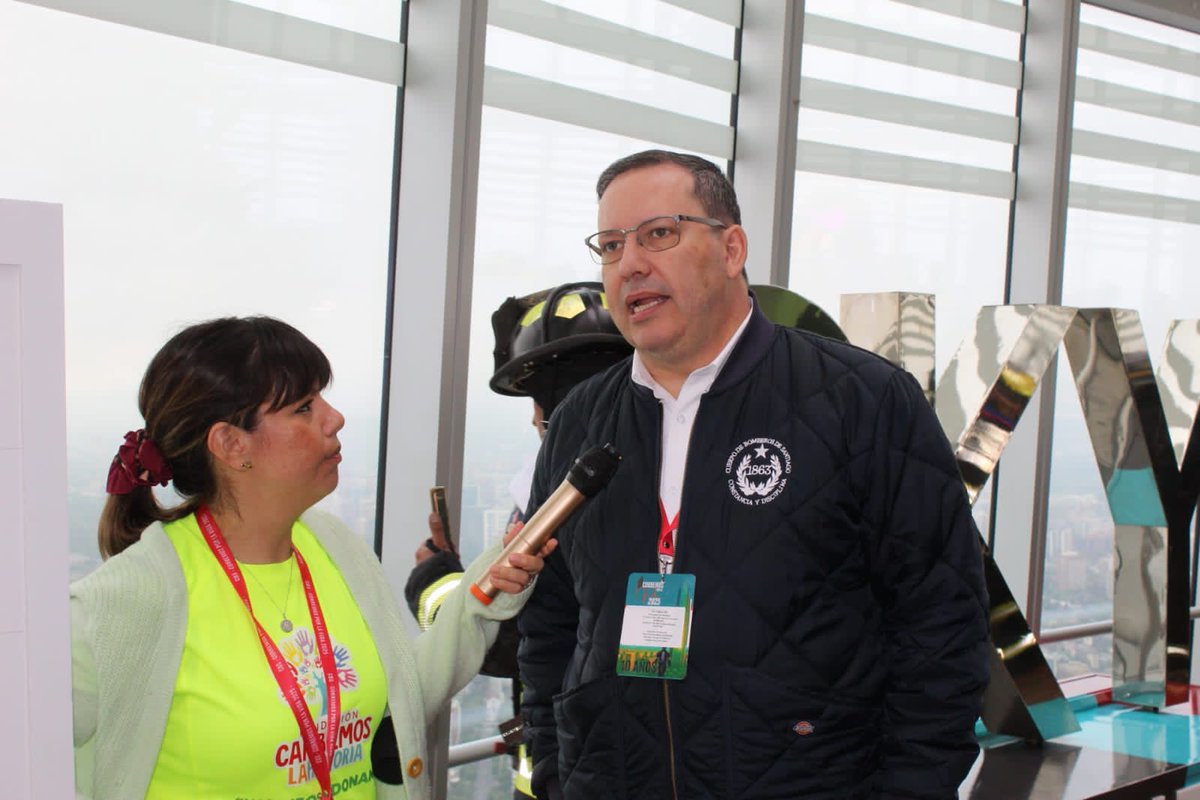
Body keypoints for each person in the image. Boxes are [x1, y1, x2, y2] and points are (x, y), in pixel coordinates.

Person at [517, 150, 991, 799]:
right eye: (611, 245)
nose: (630, 264)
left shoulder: (862, 400)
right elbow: (548, 624)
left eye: (659, 234)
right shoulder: (580, 420)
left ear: (732, 248)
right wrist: (556, 774)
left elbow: (942, 624)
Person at [71, 316, 551, 800]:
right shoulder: (124, 602)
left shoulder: (334, 547)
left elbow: (395, 702)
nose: (334, 417)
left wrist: (484, 593)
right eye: (304, 407)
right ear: (231, 444)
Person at [405, 281, 634, 798]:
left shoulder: (564, 503)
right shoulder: (638, 482)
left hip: (569, 770)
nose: (533, 419)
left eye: (538, 401)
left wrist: (432, 577)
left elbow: (508, 637)